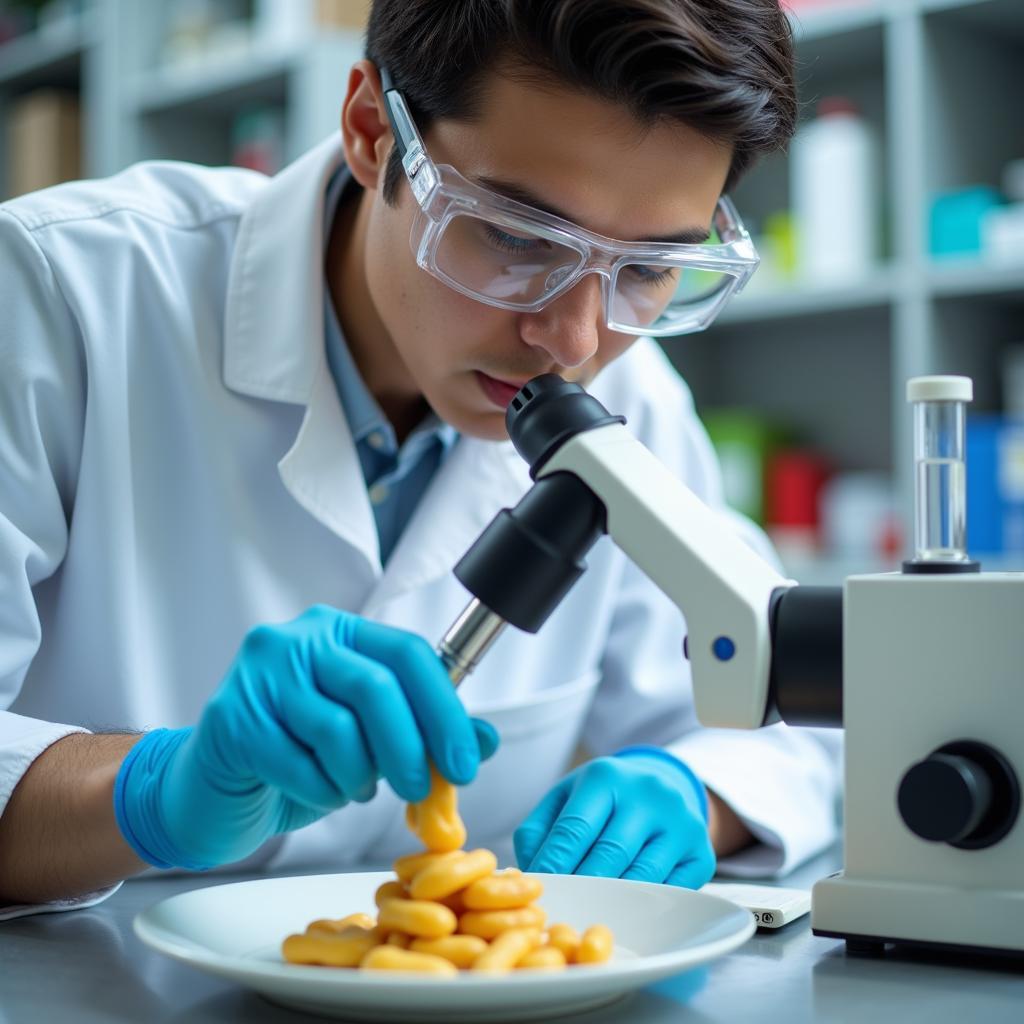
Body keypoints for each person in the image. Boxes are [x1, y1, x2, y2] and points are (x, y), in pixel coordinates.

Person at [0, 0, 839, 918]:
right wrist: (151, 793)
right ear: (370, 132)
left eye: (645, 268)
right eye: (519, 238)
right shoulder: (59, 296)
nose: (570, 339)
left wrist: (690, 795)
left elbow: (782, 729)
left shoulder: (635, 403)